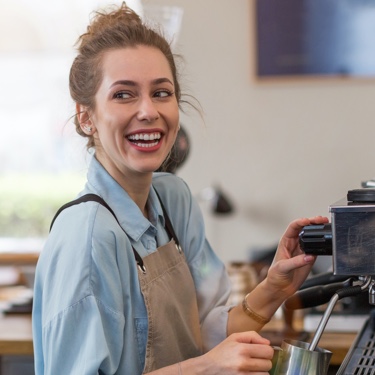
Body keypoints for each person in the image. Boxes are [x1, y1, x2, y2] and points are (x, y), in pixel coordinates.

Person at [32, 3, 328, 374]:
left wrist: (274, 287)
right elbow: (208, 361)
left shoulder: (174, 201)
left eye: (161, 93)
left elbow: (208, 335)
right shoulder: (88, 237)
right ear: (86, 117)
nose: (148, 111)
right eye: (123, 94)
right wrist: (204, 369)